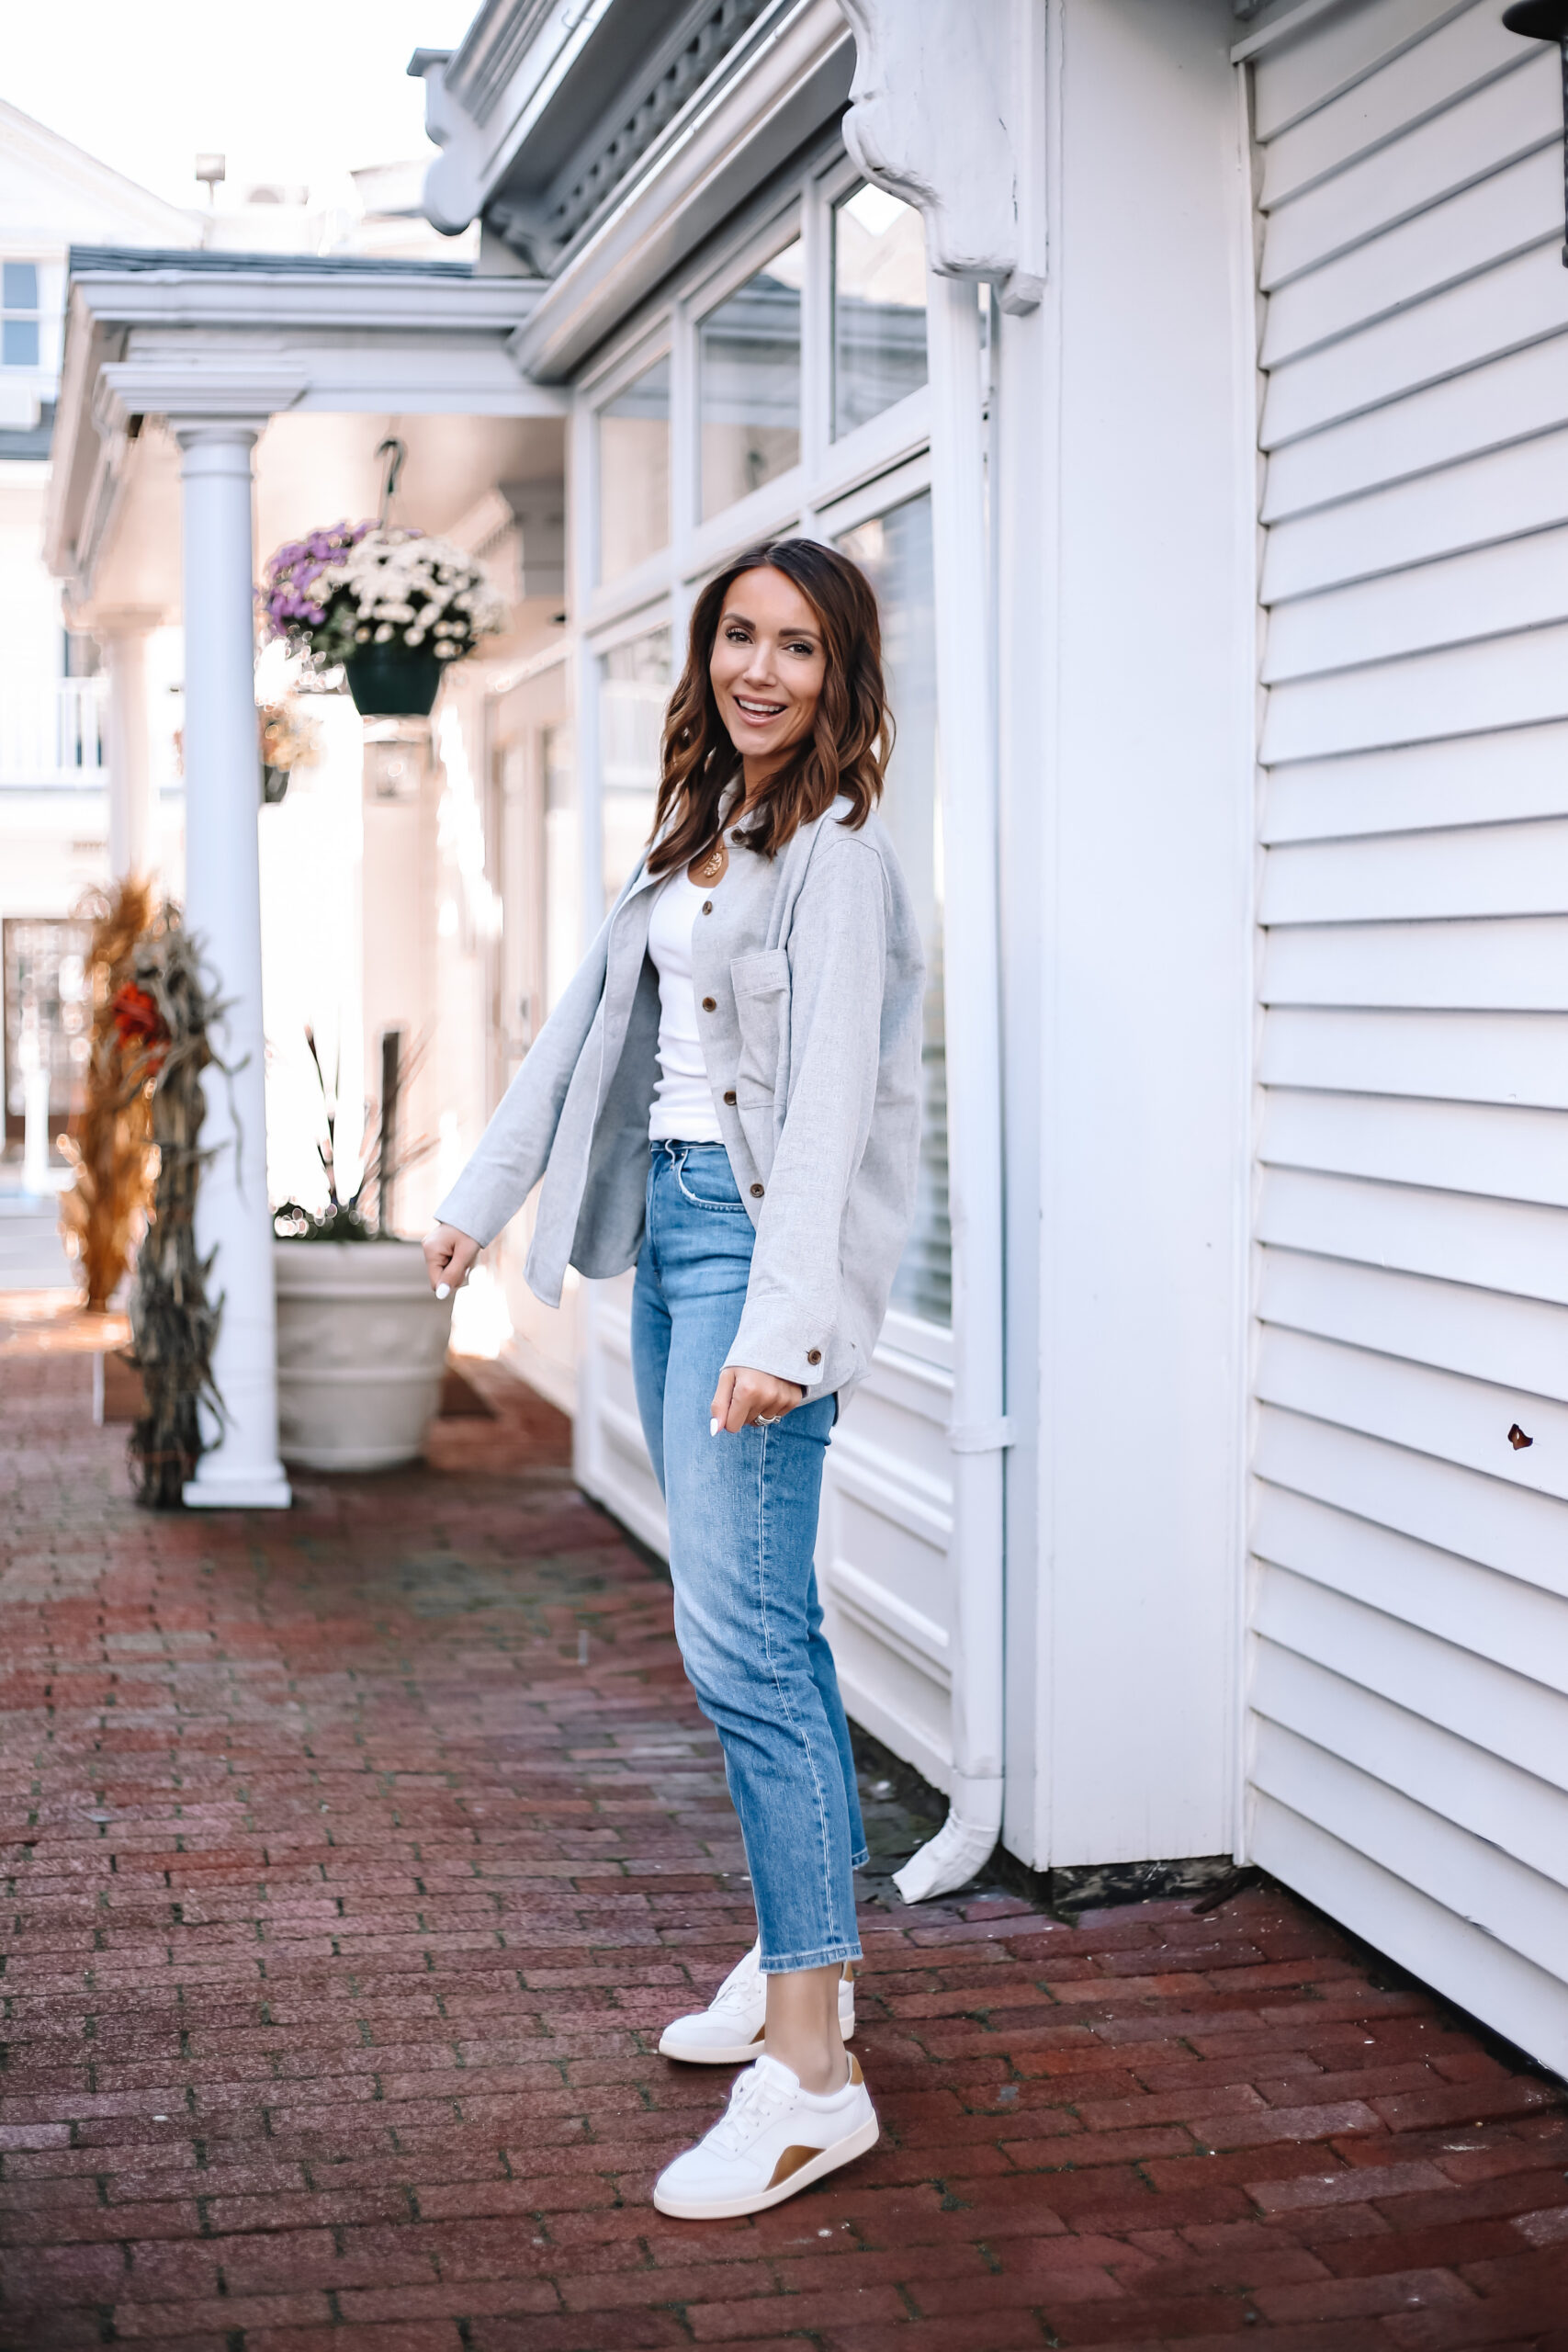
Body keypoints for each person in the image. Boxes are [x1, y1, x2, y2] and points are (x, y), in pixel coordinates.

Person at [423, 537, 924, 2220]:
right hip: (677, 1241)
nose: (759, 670)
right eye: (737, 637)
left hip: (755, 1266)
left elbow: (837, 1116)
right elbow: (581, 1034)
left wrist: (785, 1336)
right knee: (759, 1632)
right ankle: (813, 1967)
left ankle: (812, 2078)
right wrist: (479, 1204)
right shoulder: (706, 830)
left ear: (841, 673)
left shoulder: (840, 860)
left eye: (796, 647)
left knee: (742, 1653)